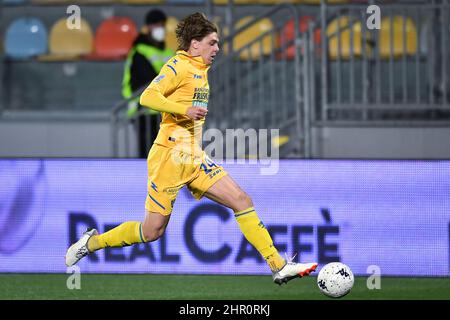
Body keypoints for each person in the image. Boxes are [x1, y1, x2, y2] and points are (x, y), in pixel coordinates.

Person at [66, 12, 317, 285]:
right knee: (152, 232)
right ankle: (92, 243)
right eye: (212, 43)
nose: (217, 49)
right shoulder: (178, 66)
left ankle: (278, 266)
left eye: (218, 43)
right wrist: (183, 108)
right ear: (194, 44)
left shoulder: (200, 70)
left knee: (242, 200)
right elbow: (147, 96)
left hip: (193, 156)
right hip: (169, 157)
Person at [122, 9, 174, 158]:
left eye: (162, 25)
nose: (160, 28)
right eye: (156, 25)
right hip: (144, 111)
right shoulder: (140, 51)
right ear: (148, 27)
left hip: (163, 112)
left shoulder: (168, 52)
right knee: (148, 155)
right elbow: (148, 79)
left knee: (165, 156)